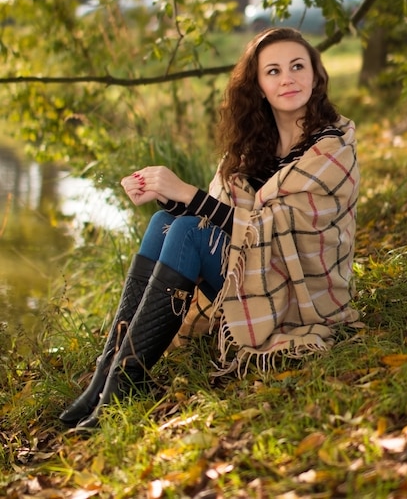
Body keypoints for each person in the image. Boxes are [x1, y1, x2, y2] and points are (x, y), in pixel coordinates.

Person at [59, 27, 361, 430]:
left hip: (299, 288)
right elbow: (219, 217)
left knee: (186, 230)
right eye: (273, 71)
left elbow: (276, 229)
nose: (287, 78)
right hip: (251, 273)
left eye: (297, 66)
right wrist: (165, 196)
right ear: (258, 86)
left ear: (315, 75)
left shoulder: (333, 147)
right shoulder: (255, 145)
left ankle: (122, 380)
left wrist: (186, 191)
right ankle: (110, 375)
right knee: (166, 221)